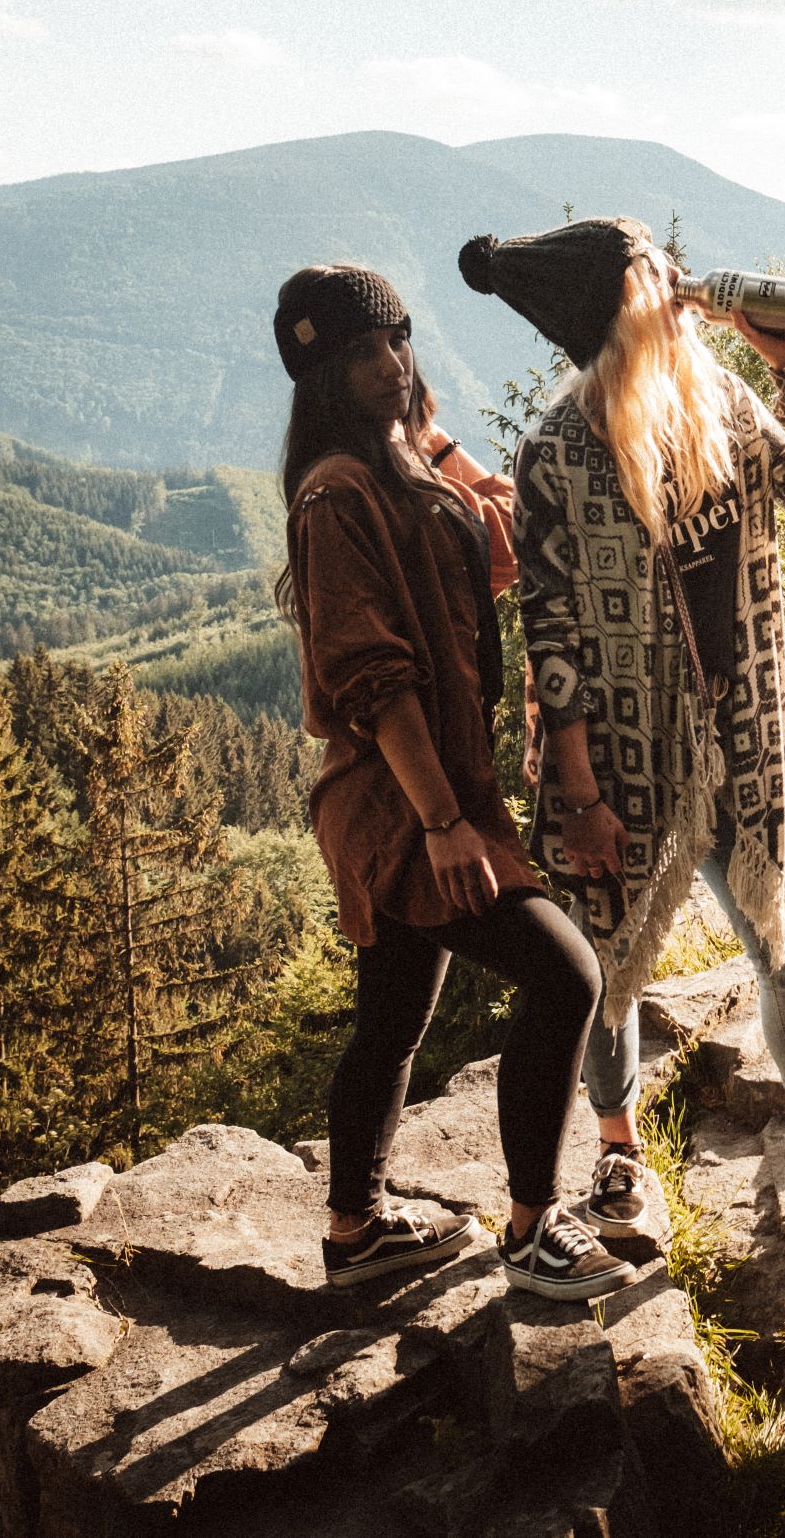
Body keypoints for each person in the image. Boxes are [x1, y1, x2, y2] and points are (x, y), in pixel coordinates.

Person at [458, 219, 785, 1237]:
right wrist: (577, 795)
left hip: (744, 730)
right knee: (607, 967)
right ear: (616, 309)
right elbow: (551, 632)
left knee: (784, 940)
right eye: (653, 272)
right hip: (618, 754)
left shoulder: (721, 397)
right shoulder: (557, 448)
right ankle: (618, 1155)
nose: (680, 282)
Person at [273, 264, 641, 1303]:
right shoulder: (337, 493)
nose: (391, 363)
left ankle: (356, 1228)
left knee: (394, 1013)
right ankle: (532, 1227)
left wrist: (422, 434)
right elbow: (373, 677)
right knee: (567, 974)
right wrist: (442, 822)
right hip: (401, 802)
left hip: (432, 794)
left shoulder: (397, 463)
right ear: (323, 377)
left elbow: (508, 532)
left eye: (398, 339)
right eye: (363, 353)